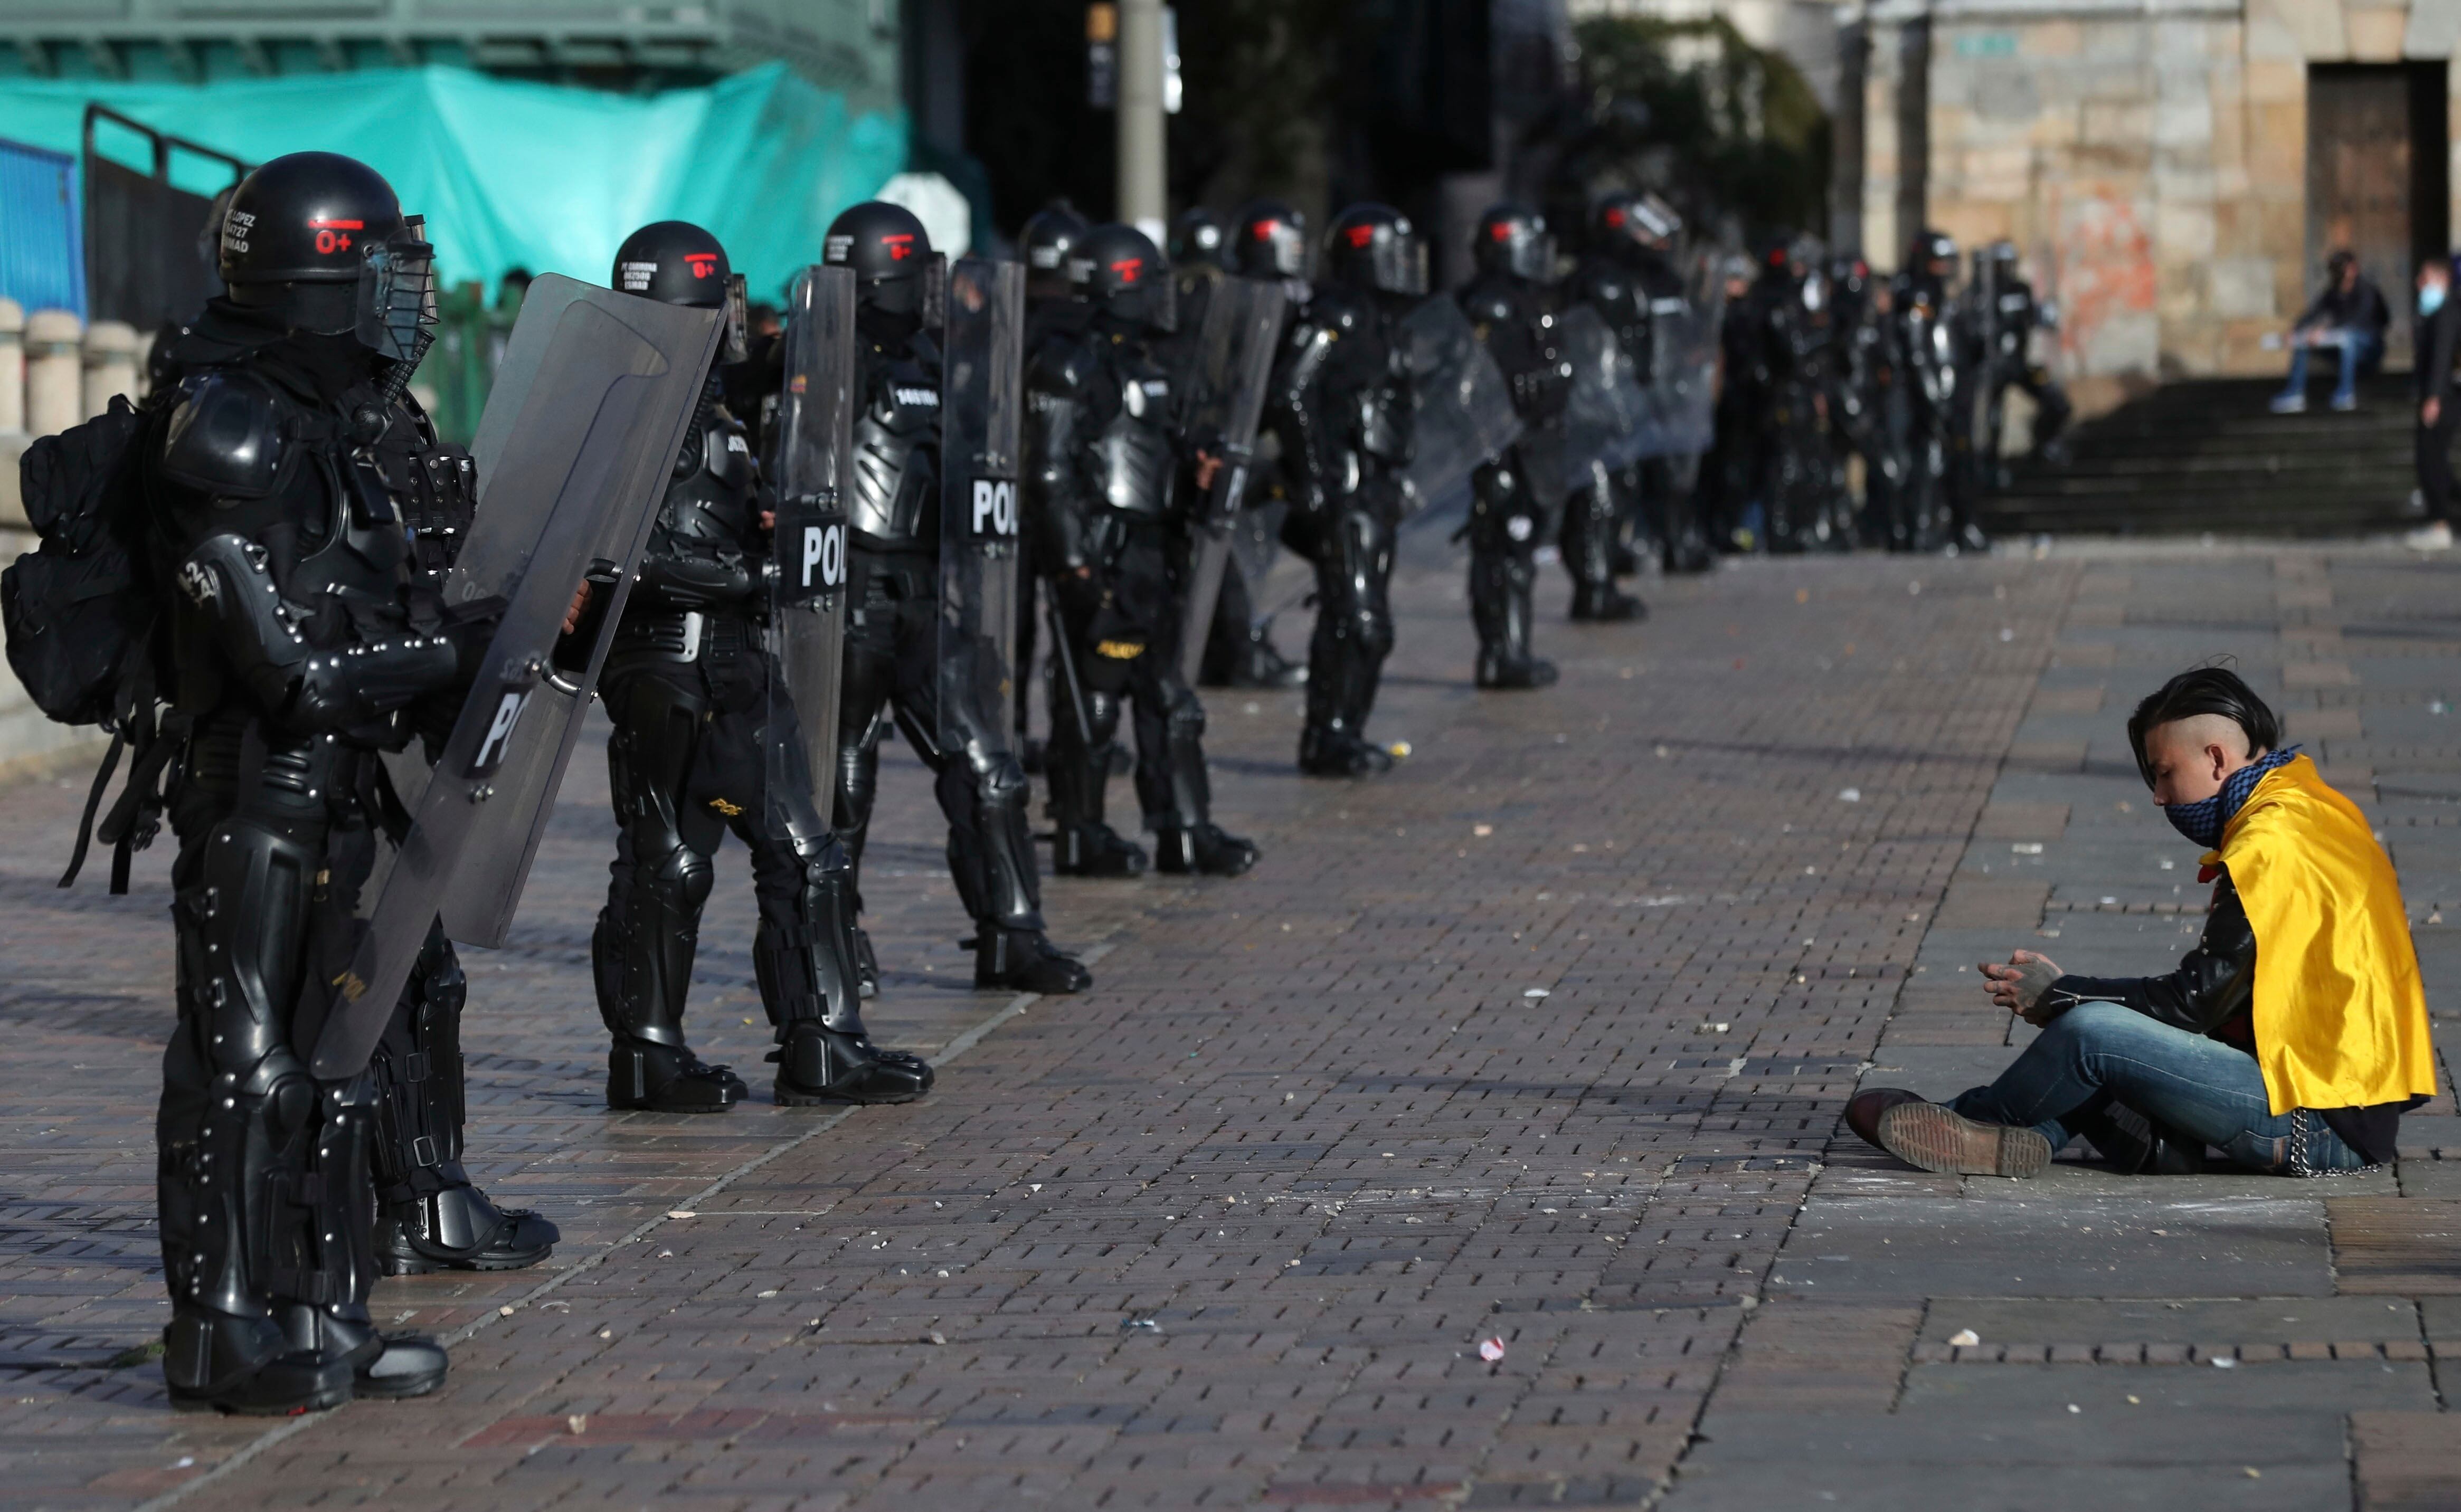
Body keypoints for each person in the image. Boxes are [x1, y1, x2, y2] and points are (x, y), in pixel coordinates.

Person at [141, 151, 483, 1411]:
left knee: (346, 1051)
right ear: (316, 278)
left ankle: (321, 1303)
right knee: (245, 1060)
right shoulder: (223, 423)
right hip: (256, 799)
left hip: (345, 793)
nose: (403, 295)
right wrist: (453, 649)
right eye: (378, 266)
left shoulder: (343, 425)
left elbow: (388, 605)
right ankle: (220, 1328)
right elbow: (291, 668)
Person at [590, 220, 934, 1114]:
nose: (727, 323)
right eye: (710, 307)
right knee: (746, 856)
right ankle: (789, 1043)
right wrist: (757, 572)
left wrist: (765, 533)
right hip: (684, 661)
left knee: (691, 859)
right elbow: (622, 555)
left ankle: (673, 1051)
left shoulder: (694, 406)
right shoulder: (636, 412)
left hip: (721, 658)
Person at [1849, 667, 2434, 1178]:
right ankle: (2029, 1142)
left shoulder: (2272, 842)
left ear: (2215, 759)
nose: (2158, 796)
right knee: (2119, 1037)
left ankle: (1975, 1121)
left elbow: (2192, 1005)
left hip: (2319, 1122)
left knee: (2093, 1034)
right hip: (2327, 1096)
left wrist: (2061, 996)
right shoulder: (2312, 807)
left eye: (2162, 773)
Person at [824, 200, 1093, 995]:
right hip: (848, 595)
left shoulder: (936, 358)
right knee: (842, 786)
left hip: (927, 594)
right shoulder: (820, 364)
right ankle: (832, 941)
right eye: (914, 274)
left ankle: (1011, 933)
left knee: (990, 768)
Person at [1026, 222, 1260, 878]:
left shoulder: (1147, 363)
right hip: (1100, 551)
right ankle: (1083, 830)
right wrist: (1073, 564)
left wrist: (1198, 475)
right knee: (1093, 699)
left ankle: (1183, 828)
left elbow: (1150, 456)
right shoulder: (1069, 364)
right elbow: (1049, 470)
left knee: (1170, 700)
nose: (1164, 298)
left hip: (1151, 552)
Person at [1271, 203, 1422, 777]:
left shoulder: (1383, 319)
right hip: (1346, 490)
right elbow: (1290, 391)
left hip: (1376, 487)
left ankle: (1342, 733)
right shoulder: (1338, 313)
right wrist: (1313, 474)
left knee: (1364, 623)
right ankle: (1329, 736)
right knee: (1356, 620)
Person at [1456, 202, 1569, 685]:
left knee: (1517, 552)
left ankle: (1512, 648)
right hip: (1500, 448)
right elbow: (1476, 384)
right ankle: (1501, 653)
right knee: (1502, 551)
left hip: (1527, 444)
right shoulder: (1490, 303)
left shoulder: (1526, 299)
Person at [1969, 240, 2071, 476]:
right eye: (2000, 265)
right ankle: (1989, 462)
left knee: (2056, 401)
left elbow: (2035, 317)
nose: (2005, 270)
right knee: (1992, 415)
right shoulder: (1981, 293)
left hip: (2021, 364)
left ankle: (2045, 441)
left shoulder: (2021, 290)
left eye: (2008, 264)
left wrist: (2046, 315)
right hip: (1994, 367)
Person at [2273, 250, 2389, 414]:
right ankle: (2295, 393)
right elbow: (2314, 313)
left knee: (2348, 337)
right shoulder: (2333, 292)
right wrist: (2296, 329)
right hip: (2340, 347)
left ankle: (2346, 393)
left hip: (2368, 349)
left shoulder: (2367, 291)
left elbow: (2357, 320)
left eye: (2343, 267)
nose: (2340, 272)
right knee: (2303, 338)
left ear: (2353, 268)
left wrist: (2325, 329)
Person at [2411, 255, 2457, 551]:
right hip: (2445, 394)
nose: (2420, 285)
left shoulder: (2447, 312)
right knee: (2434, 458)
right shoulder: (2440, 312)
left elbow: (2441, 357)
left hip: (2446, 396)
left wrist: (2434, 398)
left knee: (2430, 457)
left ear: (2443, 281)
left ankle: (2441, 524)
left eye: (2425, 280)